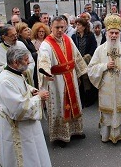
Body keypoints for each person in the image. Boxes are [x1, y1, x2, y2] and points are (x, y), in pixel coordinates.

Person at [0, 46, 51, 167]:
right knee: (25, 157)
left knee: (34, 151)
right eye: (26, 60)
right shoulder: (5, 81)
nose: (29, 62)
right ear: (15, 62)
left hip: (26, 127)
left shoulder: (13, 72)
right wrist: (39, 97)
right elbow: (18, 109)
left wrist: (32, 91)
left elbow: (21, 86)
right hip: (17, 128)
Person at [38, 16, 87, 147]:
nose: (60, 30)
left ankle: (76, 130)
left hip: (71, 77)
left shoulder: (68, 38)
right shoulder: (46, 44)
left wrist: (81, 73)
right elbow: (43, 59)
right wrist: (46, 72)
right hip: (57, 81)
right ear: (51, 27)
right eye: (57, 27)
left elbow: (76, 56)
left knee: (75, 103)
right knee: (60, 106)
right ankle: (60, 136)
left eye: (62, 27)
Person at [87, 14, 121, 143]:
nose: (113, 35)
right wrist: (104, 66)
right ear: (106, 33)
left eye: (116, 33)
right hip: (106, 87)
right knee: (109, 110)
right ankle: (106, 134)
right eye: (111, 33)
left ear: (120, 33)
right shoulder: (100, 50)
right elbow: (91, 68)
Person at [71, 17, 97, 108]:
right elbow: (72, 48)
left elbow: (93, 47)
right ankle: (81, 100)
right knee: (80, 80)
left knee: (87, 79)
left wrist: (86, 56)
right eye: (76, 25)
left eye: (79, 25)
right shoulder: (74, 36)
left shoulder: (90, 35)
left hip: (87, 60)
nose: (77, 27)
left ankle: (89, 99)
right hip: (77, 61)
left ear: (84, 26)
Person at [16, 22, 38, 87]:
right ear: (20, 33)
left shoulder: (28, 41)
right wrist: (35, 54)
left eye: (28, 29)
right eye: (25, 30)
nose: (28, 31)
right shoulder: (20, 43)